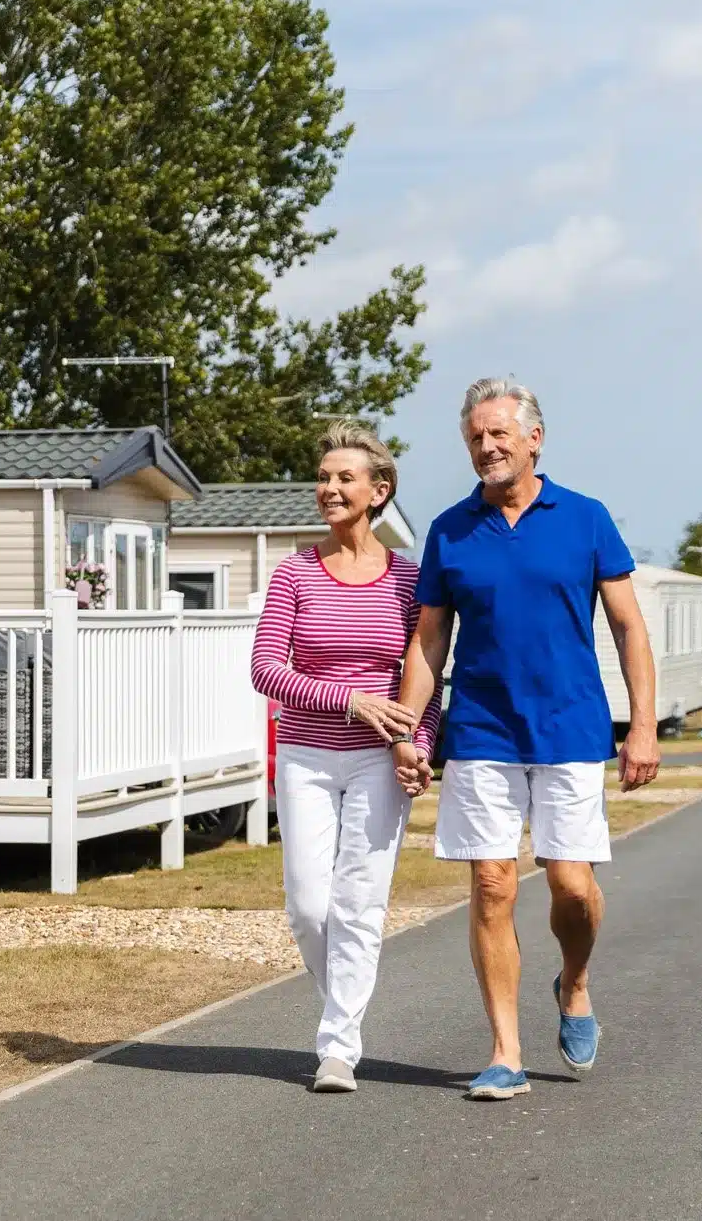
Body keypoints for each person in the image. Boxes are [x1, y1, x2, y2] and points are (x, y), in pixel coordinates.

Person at [393, 379, 659, 1102]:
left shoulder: (586, 518)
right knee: (491, 883)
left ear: (534, 439)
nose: (487, 447)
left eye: (499, 433)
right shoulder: (449, 530)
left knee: (571, 884)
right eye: (475, 437)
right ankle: (505, 1051)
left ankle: (574, 980)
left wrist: (641, 725)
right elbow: (429, 640)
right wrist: (411, 730)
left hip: (571, 726)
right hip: (481, 727)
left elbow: (629, 626)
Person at [251, 421, 444, 1093]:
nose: (328, 488)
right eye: (324, 477)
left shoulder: (411, 582)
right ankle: (343, 1010)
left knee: (359, 902)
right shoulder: (295, 573)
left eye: (344, 478)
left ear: (378, 491)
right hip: (305, 754)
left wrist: (418, 746)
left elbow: (424, 677)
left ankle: (337, 1047)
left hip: (376, 764)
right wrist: (351, 701)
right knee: (309, 906)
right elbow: (266, 671)